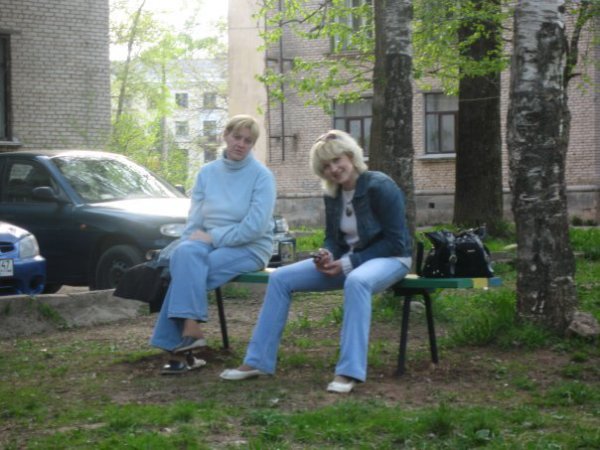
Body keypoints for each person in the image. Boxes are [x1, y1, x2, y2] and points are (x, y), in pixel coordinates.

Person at [220, 129, 412, 393]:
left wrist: (348, 263)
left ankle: (348, 372)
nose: (333, 169)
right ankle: (257, 361)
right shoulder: (333, 193)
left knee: (357, 281)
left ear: (350, 156)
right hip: (349, 260)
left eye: (336, 160)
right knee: (280, 278)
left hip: (390, 259)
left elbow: (396, 242)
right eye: (325, 166)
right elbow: (333, 238)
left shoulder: (380, 185)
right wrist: (327, 255)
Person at [150, 115, 276, 367]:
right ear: (225, 135)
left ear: (252, 145)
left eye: (248, 141)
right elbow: (195, 220)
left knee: (189, 272)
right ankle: (190, 330)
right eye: (237, 137)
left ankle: (177, 350)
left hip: (250, 247)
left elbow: (254, 228)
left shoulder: (262, 176)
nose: (241, 144)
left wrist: (214, 237)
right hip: (207, 241)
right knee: (184, 255)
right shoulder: (207, 173)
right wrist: (187, 245)